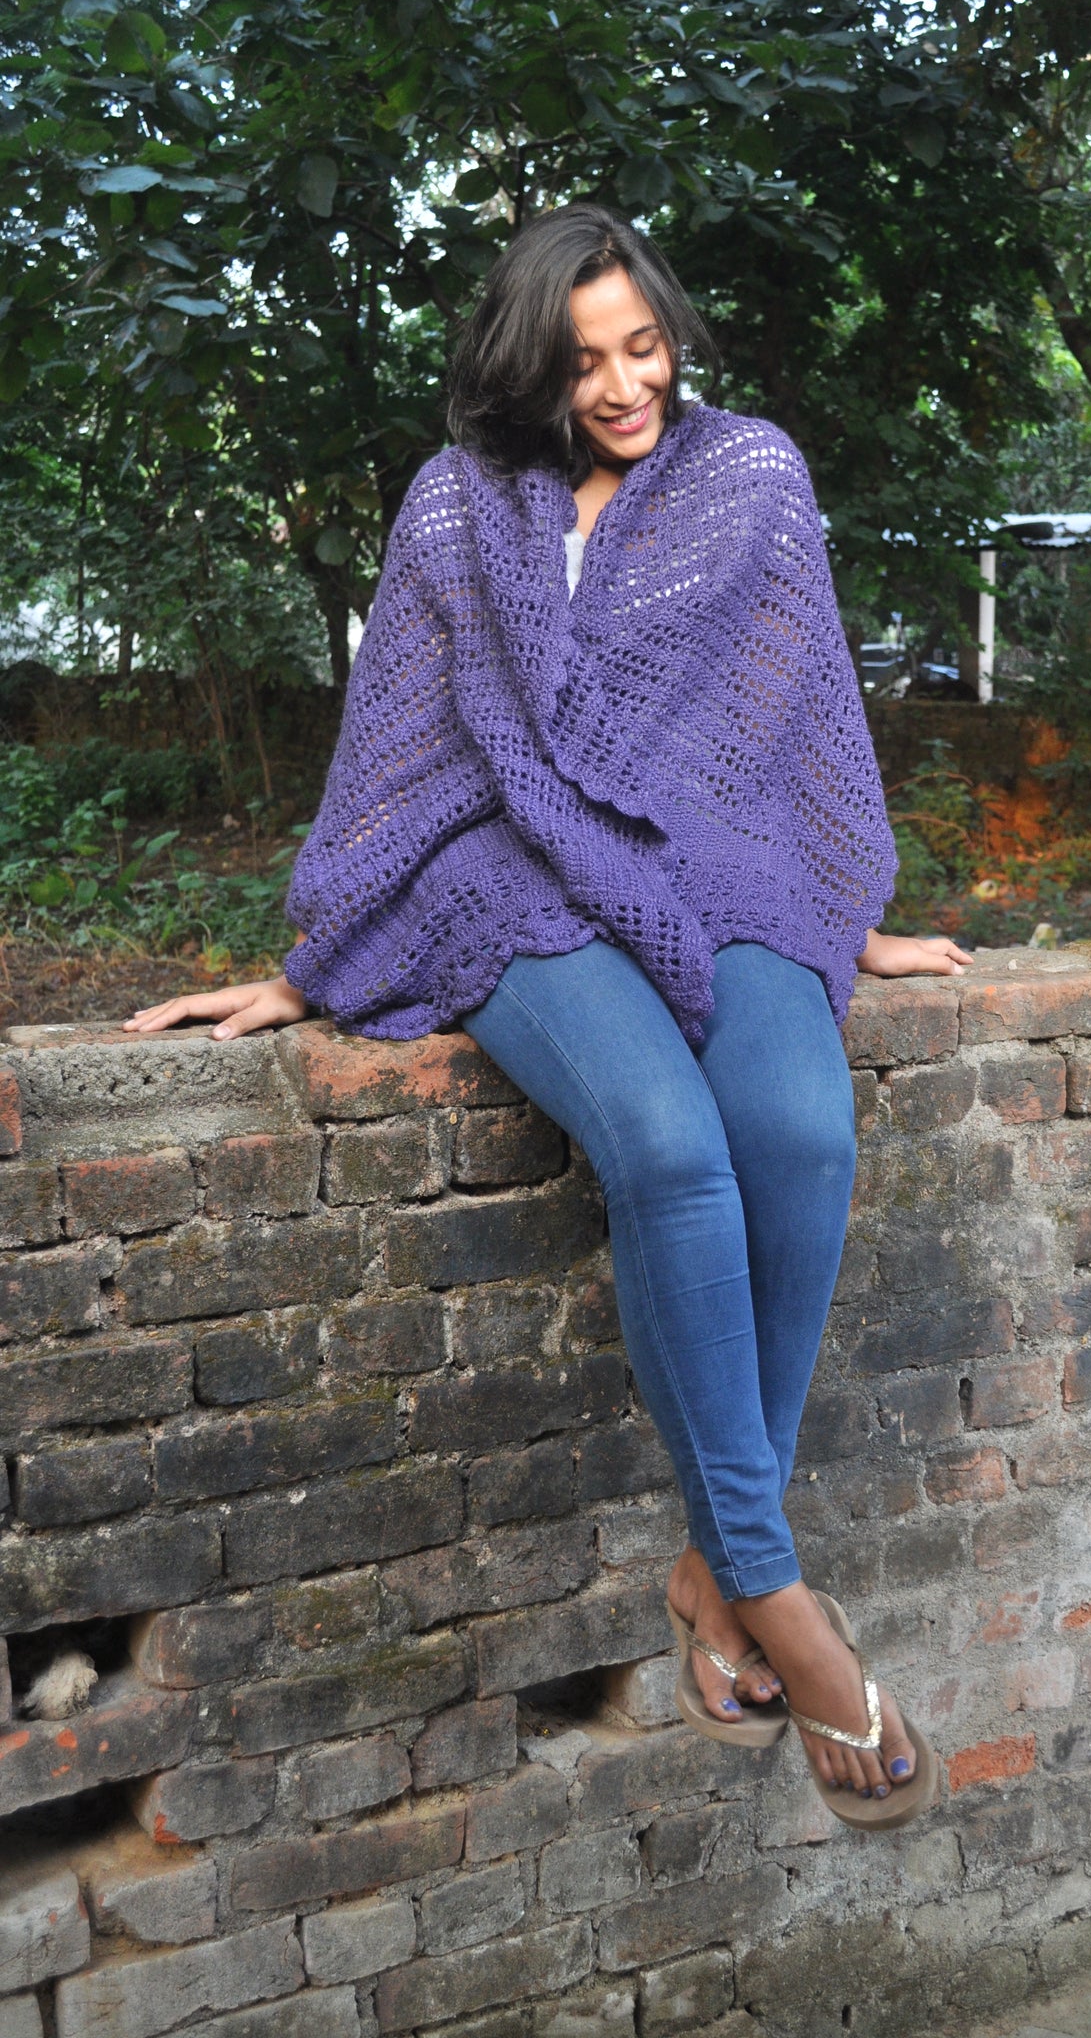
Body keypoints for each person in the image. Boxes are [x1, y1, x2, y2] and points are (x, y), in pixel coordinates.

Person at [127, 203, 972, 1830]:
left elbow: (796, 716)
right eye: (583, 361)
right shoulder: (458, 504)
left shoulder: (749, 475)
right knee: (667, 1150)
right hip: (502, 870)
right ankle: (777, 1596)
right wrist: (314, 963)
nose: (623, 384)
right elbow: (403, 742)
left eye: (643, 345)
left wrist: (837, 908)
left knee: (798, 1133)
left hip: (723, 857)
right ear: (528, 367)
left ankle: (708, 1573)